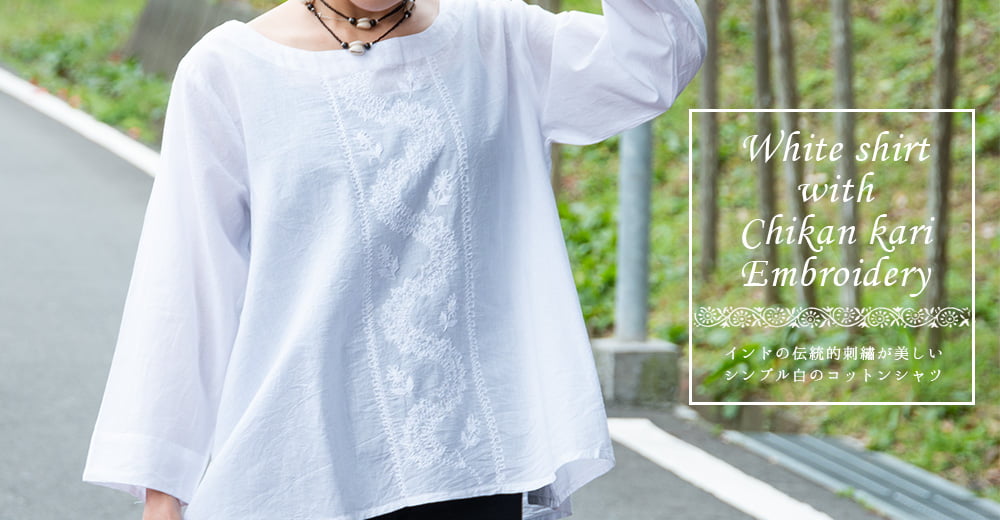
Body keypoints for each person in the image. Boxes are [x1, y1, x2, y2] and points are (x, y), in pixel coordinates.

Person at [81, 0, 705, 518]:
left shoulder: (496, 37)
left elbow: (654, 62)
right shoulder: (228, 71)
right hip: (301, 463)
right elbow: (186, 284)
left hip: (474, 463)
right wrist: (164, 492)